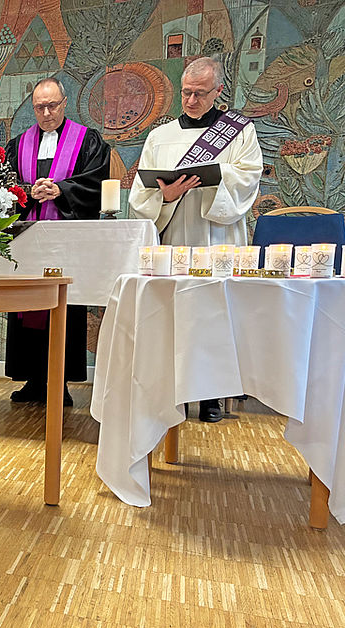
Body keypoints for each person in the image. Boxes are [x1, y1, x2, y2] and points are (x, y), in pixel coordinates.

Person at [129, 57, 263, 422]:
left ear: (218, 91)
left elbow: (249, 178)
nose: (190, 101)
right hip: (175, 238)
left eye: (200, 94)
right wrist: (166, 197)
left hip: (217, 236)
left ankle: (211, 396)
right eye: (186, 93)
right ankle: (171, 391)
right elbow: (142, 191)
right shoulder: (160, 136)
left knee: (213, 314)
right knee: (177, 315)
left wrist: (214, 175)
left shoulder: (238, 132)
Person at [3, 77, 111, 404]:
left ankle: (58, 384)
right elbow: (3, 185)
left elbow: (95, 181)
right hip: (29, 242)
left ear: (64, 103)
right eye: (40, 107)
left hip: (67, 242)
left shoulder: (88, 141)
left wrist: (62, 190)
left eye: (53, 105)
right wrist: (27, 192)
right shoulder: (17, 144)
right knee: (27, 308)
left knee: (64, 309)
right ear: (32, 107)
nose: (47, 112)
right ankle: (34, 381)